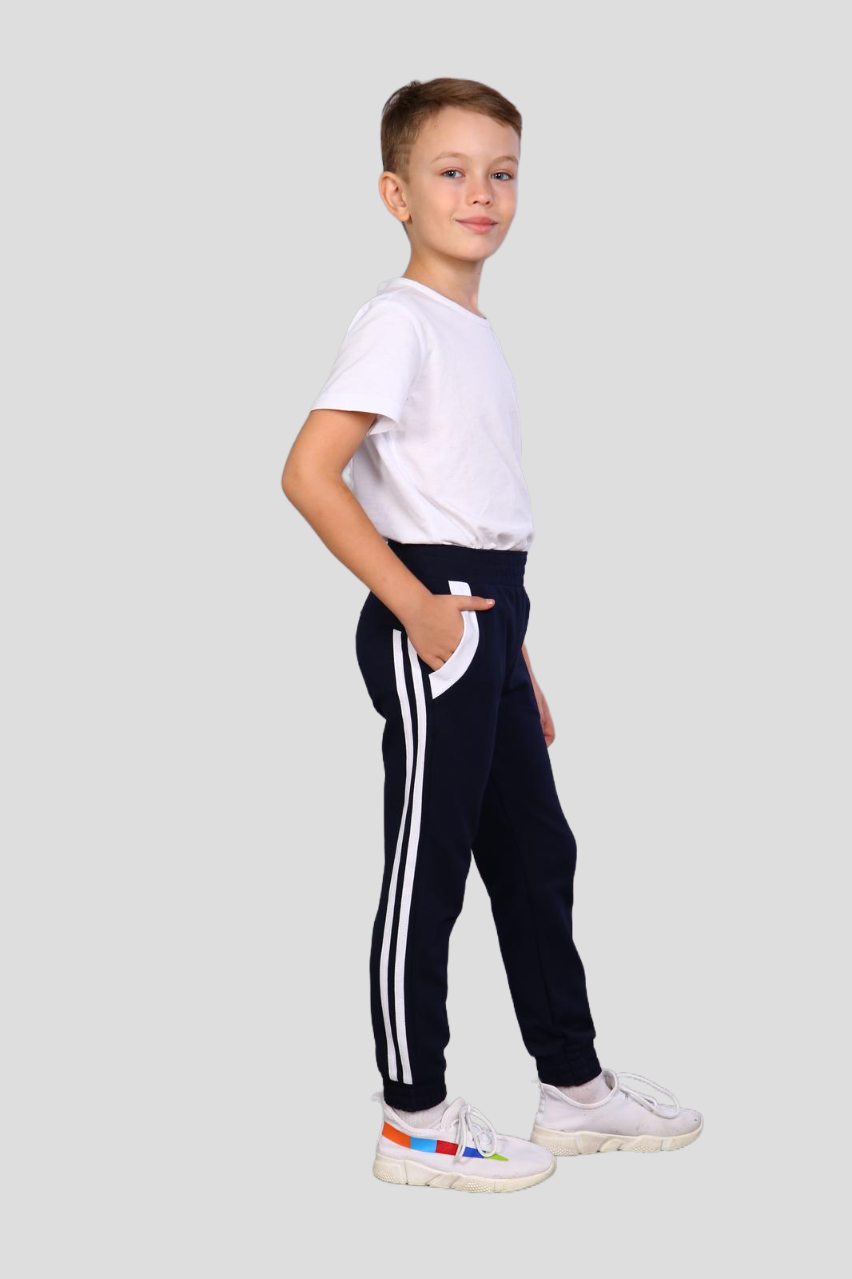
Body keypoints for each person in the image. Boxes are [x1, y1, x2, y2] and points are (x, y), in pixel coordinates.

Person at [282, 77, 703, 1193]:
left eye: (502, 172)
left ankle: (573, 1087)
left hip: (489, 618)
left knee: (536, 851)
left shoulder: (470, 330)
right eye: (452, 172)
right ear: (397, 194)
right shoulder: (399, 321)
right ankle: (414, 1117)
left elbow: (470, 505)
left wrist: (513, 650)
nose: (482, 193)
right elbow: (310, 473)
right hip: (433, 613)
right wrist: (420, 611)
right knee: (429, 867)